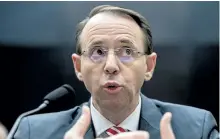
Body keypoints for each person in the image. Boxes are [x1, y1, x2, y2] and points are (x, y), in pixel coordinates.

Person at [12, 5, 218, 139]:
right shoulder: (33, 131)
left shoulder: (196, 129)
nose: (111, 65)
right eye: (98, 52)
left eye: (127, 51)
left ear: (149, 66)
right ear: (78, 67)